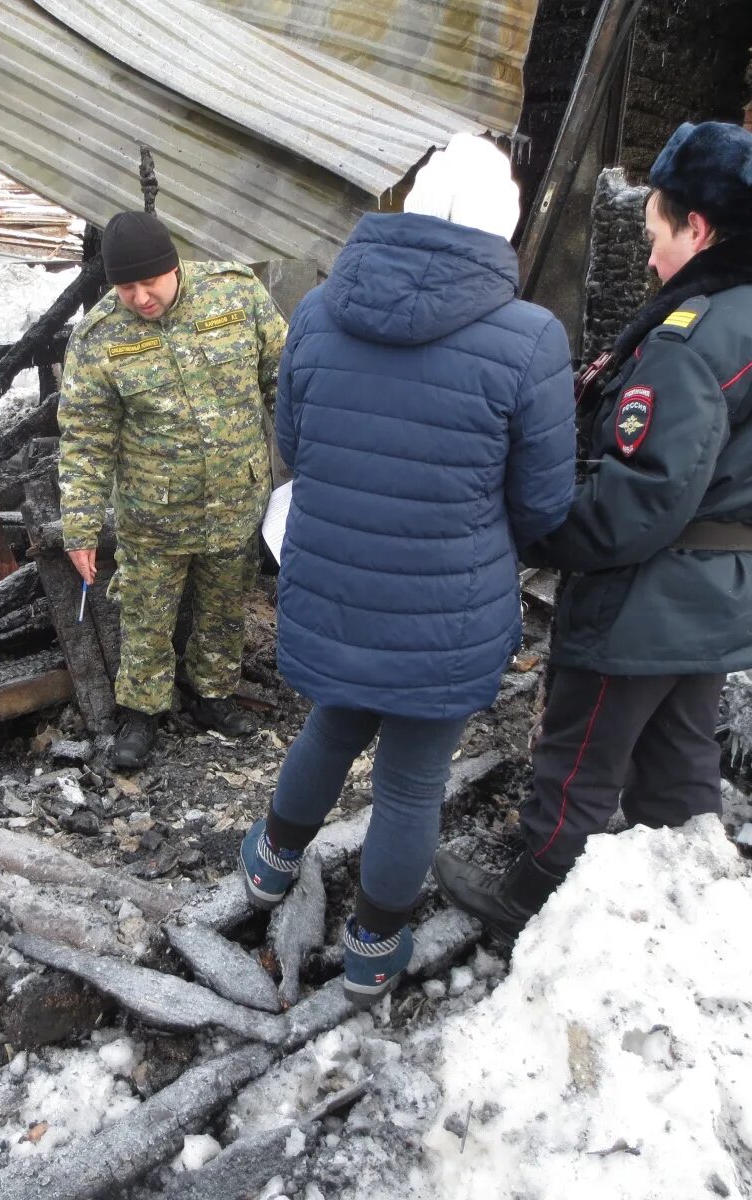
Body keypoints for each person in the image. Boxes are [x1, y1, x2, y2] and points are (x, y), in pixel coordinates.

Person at [435, 121, 752, 946]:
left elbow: (637, 500)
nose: (652, 255)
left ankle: (532, 905)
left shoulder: (691, 342)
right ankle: (689, 902)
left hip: (645, 598)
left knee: (578, 760)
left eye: (656, 230)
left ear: (698, 227)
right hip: (723, 592)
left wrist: (532, 525)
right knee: (679, 759)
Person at [235, 133, 577, 1006]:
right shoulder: (529, 338)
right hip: (447, 608)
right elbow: (543, 505)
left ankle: (271, 864)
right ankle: (373, 948)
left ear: (410, 209)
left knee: (332, 722)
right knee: (414, 779)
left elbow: (296, 446)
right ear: (499, 227)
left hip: (336, 581)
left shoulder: (317, 311)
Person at [59, 211, 287, 769]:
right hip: (153, 515)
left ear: (175, 266)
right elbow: (85, 438)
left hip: (237, 501)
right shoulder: (99, 337)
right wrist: (81, 527)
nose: (139, 297)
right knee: (146, 612)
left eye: (149, 283)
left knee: (224, 606)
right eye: (125, 287)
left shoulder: (235, 295)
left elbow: (287, 380)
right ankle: (142, 711)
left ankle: (212, 696)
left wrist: (318, 465)